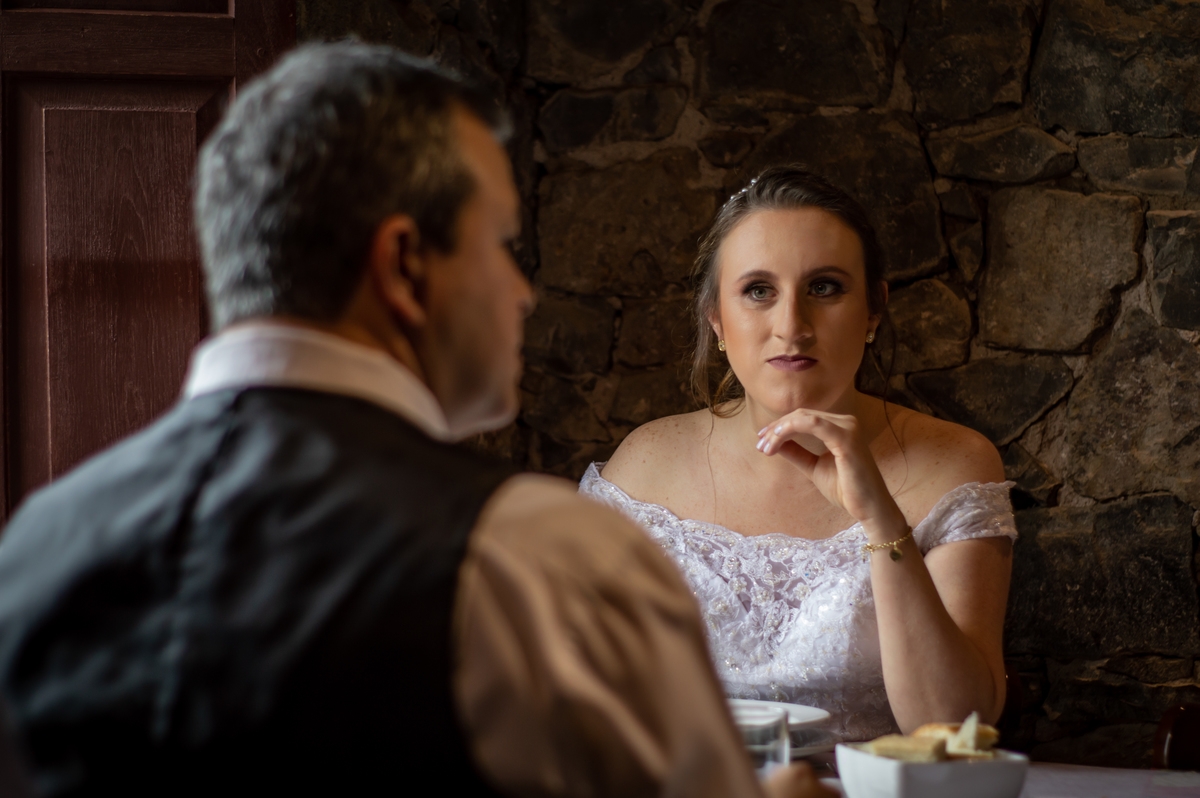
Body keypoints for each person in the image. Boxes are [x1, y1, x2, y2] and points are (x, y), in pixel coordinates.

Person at [0, 45, 832, 797]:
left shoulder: (35, 546)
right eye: (501, 244)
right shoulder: (543, 560)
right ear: (404, 264)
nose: (523, 291)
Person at [581, 167, 1017, 743]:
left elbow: (954, 724)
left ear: (873, 311)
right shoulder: (644, 465)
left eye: (825, 287)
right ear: (716, 317)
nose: (792, 326)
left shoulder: (956, 463)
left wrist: (882, 521)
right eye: (758, 291)